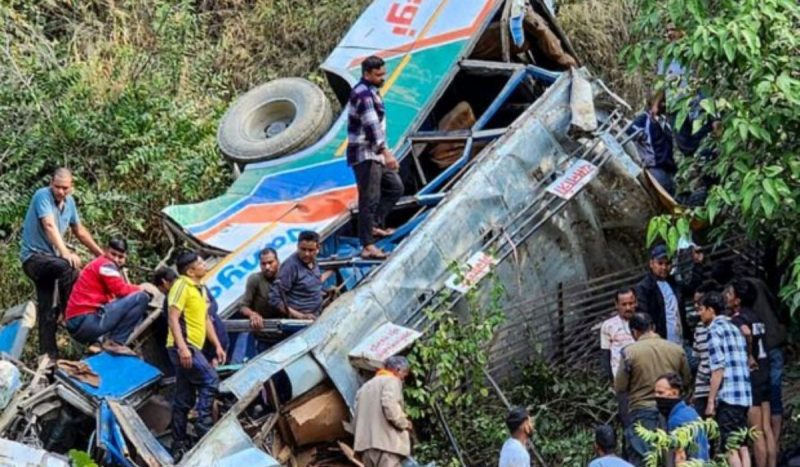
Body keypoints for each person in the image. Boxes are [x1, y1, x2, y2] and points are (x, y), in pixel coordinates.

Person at [20, 168, 104, 358]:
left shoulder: (70, 203)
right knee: (69, 267)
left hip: (51, 261)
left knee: (47, 311)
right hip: (35, 259)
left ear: (71, 187)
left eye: (65, 188)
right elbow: (48, 225)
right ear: (51, 184)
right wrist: (66, 253)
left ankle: (49, 360)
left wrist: (102, 255)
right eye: (57, 187)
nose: (60, 191)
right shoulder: (42, 195)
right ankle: (70, 314)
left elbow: (80, 231)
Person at [167, 251, 226, 459]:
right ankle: (203, 424)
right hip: (184, 347)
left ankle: (178, 442)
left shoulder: (200, 289)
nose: (204, 264)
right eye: (200, 262)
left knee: (183, 398)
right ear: (190, 270)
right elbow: (173, 318)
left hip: (193, 347)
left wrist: (217, 345)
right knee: (210, 379)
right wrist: (182, 348)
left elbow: (206, 320)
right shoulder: (181, 285)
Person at [346, 55, 404, 260]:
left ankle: (374, 226)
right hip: (366, 154)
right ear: (367, 74)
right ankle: (368, 245)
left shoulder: (371, 91)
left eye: (384, 73)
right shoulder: (363, 95)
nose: (383, 77)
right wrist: (386, 153)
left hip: (374, 154)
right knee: (369, 199)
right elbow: (372, 127)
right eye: (379, 74)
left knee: (395, 187)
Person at [615, 312, 691, 466]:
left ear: (634, 332)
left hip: (642, 412)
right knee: (672, 457)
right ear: (653, 327)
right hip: (672, 412)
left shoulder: (629, 353)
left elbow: (620, 386)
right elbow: (687, 380)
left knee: (644, 458)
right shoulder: (676, 349)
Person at [64, 238, 153, 355]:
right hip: (84, 321)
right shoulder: (106, 265)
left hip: (78, 322)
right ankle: (116, 342)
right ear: (105, 251)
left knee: (119, 303)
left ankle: (99, 342)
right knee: (141, 298)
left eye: (120, 257)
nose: (116, 259)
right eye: (113, 254)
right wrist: (140, 289)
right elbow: (120, 290)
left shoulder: (98, 264)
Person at [726, 280, 776, 467]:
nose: (727, 297)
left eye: (730, 294)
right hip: (765, 372)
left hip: (751, 377)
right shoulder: (756, 316)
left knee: (756, 432)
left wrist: (748, 354)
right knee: (767, 428)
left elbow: (746, 333)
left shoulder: (738, 320)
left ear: (738, 300)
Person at [699, 291, 751, 467]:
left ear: (711, 310)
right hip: (744, 396)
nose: (699, 314)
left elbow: (718, 368)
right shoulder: (734, 328)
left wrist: (711, 401)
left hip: (728, 395)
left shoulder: (714, 330)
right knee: (742, 445)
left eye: (701, 309)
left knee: (730, 447)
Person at [353, 356, 413, 467]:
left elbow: (356, 416)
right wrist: (404, 423)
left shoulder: (364, 388)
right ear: (397, 370)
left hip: (366, 448)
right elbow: (390, 407)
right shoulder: (392, 381)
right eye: (405, 373)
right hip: (386, 446)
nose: (404, 378)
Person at [634, 245, 687, 345]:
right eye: (660, 263)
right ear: (651, 264)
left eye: (667, 263)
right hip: (660, 343)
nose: (664, 267)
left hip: (681, 340)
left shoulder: (674, 283)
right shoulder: (644, 287)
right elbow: (644, 317)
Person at [654, 372, 710, 462]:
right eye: (655, 392)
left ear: (675, 392)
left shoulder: (676, 420)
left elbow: (680, 457)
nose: (656, 396)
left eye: (660, 393)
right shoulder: (691, 412)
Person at [269, 231, 325, 320]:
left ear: (318, 249)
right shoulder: (290, 267)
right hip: (302, 321)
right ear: (297, 246)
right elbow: (274, 299)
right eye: (303, 249)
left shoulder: (313, 261)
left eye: (311, 250)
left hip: (318, 313)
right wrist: (301, 316)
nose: (306, 253)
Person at [631, 92, 677, 195]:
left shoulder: (664, 121)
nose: (664, 105)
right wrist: (640, 135)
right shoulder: (643, 119)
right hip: (655, 168)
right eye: (661, 102)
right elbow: (630, 131)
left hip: (668, 167)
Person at [691, 281, 720, 417]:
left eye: (700, 304)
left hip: (720, 387)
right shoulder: (699, 328)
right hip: (702, 388)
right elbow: (698, 358)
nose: (697, 307)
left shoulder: (722, 328)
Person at [600, 288, 637, 385]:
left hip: (642, 377)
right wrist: (611, 380)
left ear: (636, 303)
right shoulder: (608, 325)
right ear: (616, 305)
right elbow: (606, 354)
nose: (628, 308)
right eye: (624, 304)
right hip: (621, 379)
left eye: (631, 303)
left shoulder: (643, 321)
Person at [240, 248, 280, 330]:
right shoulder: (255, 279)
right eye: (263, 264)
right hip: (265, 330)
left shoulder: (287, 276)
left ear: (277, 261)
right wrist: (252, 314)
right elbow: (243, 306)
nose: (267, 267)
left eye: (270, 262)